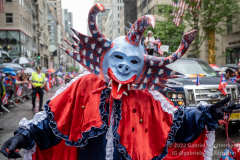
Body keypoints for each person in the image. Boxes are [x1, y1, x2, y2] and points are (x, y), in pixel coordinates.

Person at [0, 4, 236, 160]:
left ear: (142, 67)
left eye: (133, 61)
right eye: (119, 57)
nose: (124, 66)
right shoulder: (83, 86)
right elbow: (56, 122)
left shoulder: (147, 96)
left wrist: (207, 113)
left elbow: (174, 123)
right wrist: (23, 136)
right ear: (105, 59)